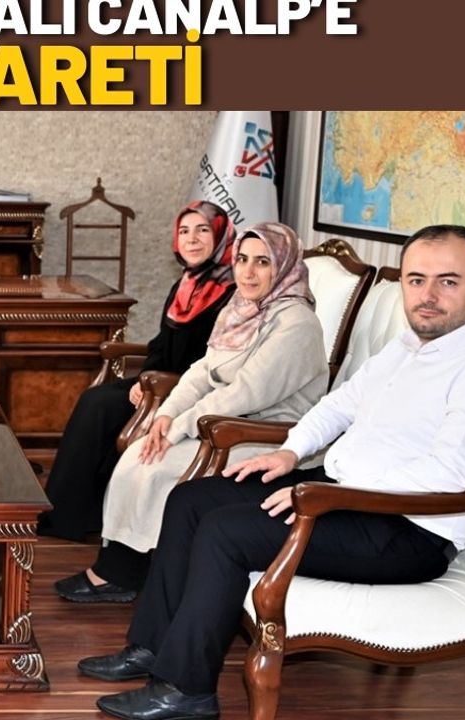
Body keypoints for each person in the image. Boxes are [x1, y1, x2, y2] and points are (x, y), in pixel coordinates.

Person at [83, 225, 465, 720]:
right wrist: (291, 453)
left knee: (227, 532)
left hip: (408, 530)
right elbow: (338, 405)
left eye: (448, 281)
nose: (428, 295)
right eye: (416, 280)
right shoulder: (409, 346)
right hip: (347, 497)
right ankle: (153, 645)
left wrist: (325, 495)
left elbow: (447, 478)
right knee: (192, 499)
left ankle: (186, 691)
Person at [56, 222, 329, 605]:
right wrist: (164, 417)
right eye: (242, 260)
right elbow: (202, 370)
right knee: (141, 453)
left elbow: (245, 392)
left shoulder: (297, 324)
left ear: (284, 266)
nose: (248, 272)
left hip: (263, 434)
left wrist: (179, 428)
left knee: (160, 465)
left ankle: (129, 573)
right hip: (221, 422)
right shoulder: (241, 308)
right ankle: (120, 569)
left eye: (263, 262)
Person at [40, 201, 238, 542]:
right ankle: (78, 514)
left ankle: (69, 519)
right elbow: (161, 343)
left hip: (191, 390)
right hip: (160, 380)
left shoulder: (232, 293)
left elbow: (213, 361)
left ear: (221, 236)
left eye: (203, 230)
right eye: (184, 231)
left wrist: (155, 384)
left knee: (101, 406)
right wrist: (147, 377)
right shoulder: (186, 285)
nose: (192, 239)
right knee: (95, 399)